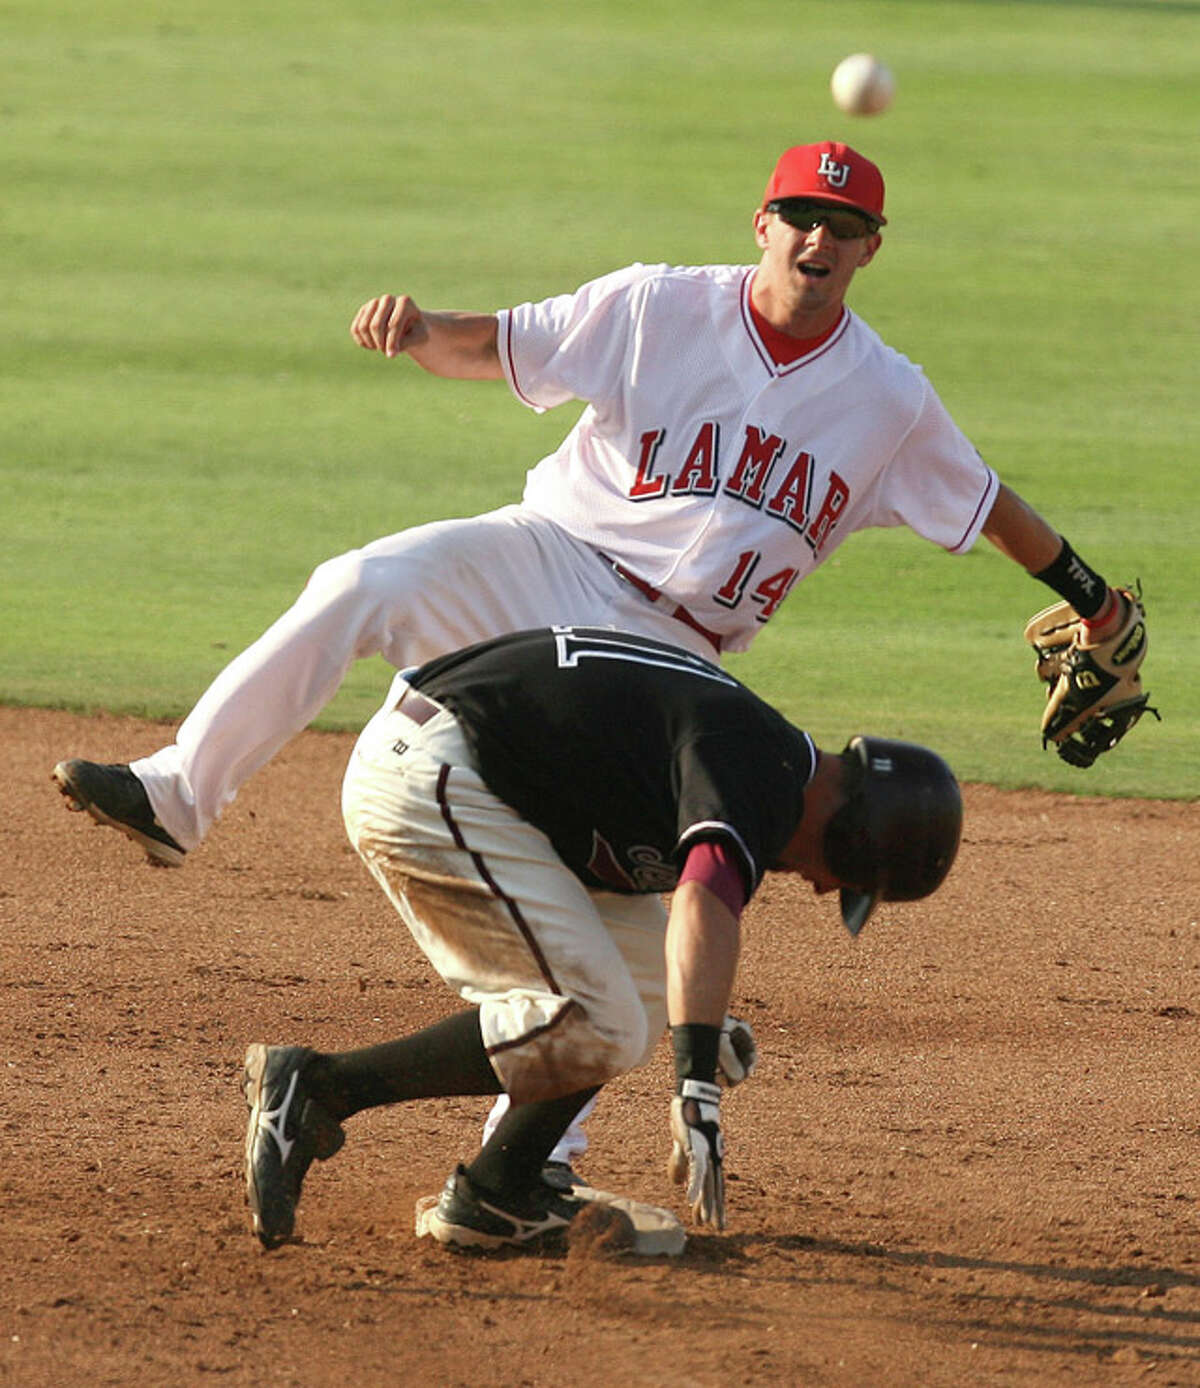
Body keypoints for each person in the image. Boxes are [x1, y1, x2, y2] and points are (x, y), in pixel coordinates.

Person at [53, 138, 1132, 1176]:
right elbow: (505, 342)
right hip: (546, 553)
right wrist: (423, 326)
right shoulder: (661, 304)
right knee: (362, 581)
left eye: (842, 227)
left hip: (677, 644)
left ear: (869, 249)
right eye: (801, 216)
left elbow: (988, 505)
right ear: (763, 224)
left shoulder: (889, 398)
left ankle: (532, 1159)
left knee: (608, 887)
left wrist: (1094, 600)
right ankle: (176, 792)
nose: (817, 238)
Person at [241, 624, 964, 1252]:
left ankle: (498, 1191)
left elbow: (682, 928)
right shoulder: (761, 773)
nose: (825, 889)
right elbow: (706, 896)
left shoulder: (765, 763)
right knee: (602, 1020)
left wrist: (701, 1035)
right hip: (433, 774)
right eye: (850, 878)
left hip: (479, 776)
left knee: (642, 994)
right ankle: (322, 1088)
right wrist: (694, 1087)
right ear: (859, 834)